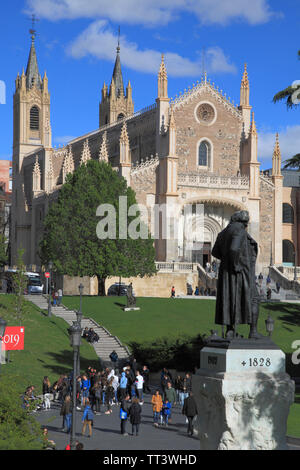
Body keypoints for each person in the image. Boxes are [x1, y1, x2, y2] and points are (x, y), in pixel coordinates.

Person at [212, 210, 261, 339]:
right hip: (241, 271)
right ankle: (253, 331)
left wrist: (227, 259)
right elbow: (234, 248)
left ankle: (230, 329)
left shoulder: (223, 233)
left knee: (229, 298)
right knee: (254, 298)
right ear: (243, 222)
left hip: (226, 272)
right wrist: (235, 264)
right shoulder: (239, 230)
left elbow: (215, 252)